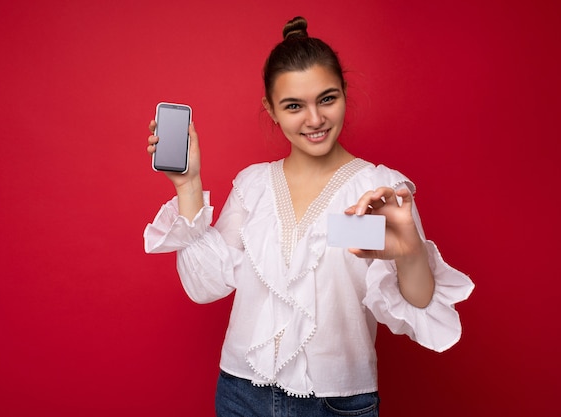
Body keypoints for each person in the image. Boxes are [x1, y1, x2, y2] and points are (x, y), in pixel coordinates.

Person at [144, 16, 474, 417]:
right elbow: (205, 286)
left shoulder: (376, 189)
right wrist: (187, 185)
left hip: (339, 403)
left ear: (345, 93)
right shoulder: (254, 186)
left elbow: (419, 304)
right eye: (294, 106)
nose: (314, 119)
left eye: (327, 99)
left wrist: (409, 253)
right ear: (272, 109)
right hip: (240, 394)